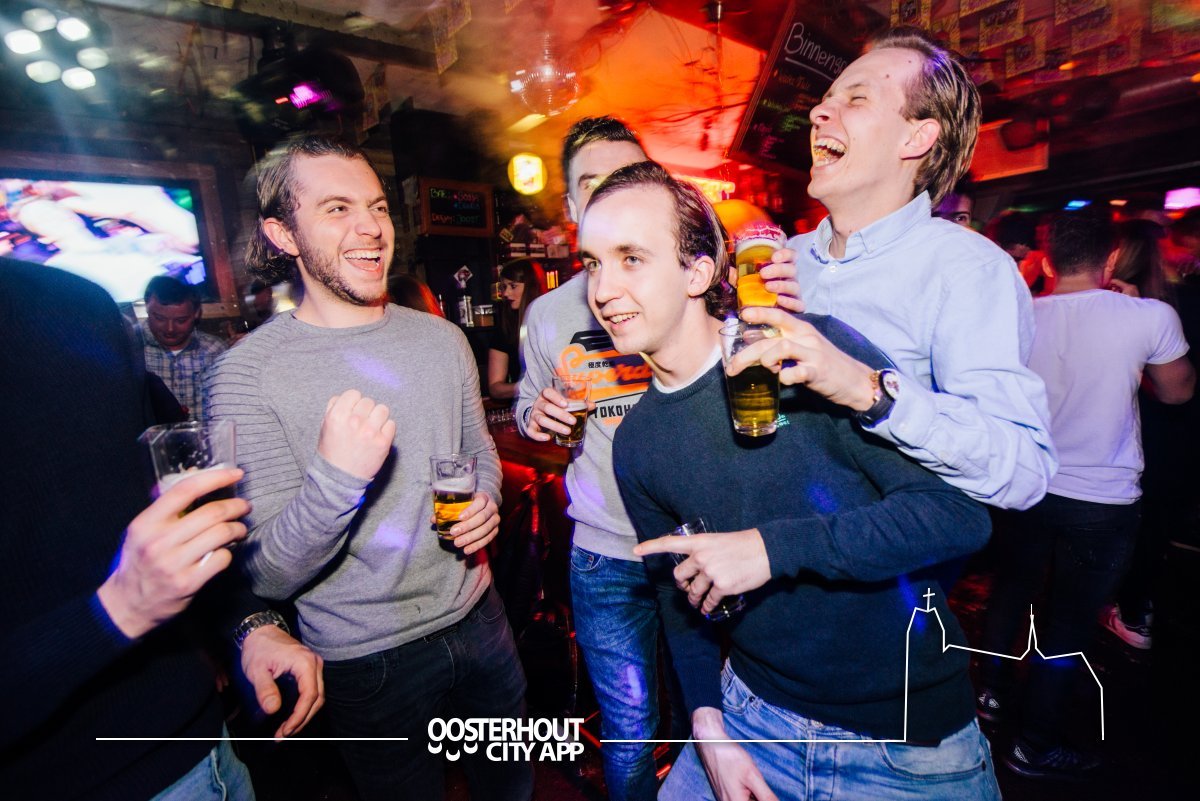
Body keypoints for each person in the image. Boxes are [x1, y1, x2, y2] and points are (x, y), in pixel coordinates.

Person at [584, 161, 999, 801]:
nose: (603, 289)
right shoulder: (636, 441)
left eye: (630, 258)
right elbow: (677, 594)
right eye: (592, 264)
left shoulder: (811, 351)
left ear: (698, 273)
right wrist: (706, 725)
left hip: (902, 744)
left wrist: (770, 550)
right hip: (750, 713)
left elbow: (958, 517)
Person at [207, 135, 530, 801]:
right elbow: (265, 574)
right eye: (336, 209)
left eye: (377, 207)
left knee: (513, 788)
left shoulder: (442, 339)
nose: (371, 227)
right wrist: (337, 480)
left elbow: (480, 455)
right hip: (365, 658)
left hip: (480, 616)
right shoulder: (245, 374)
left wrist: (487, 501)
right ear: (283, 234)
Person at [516, 116, 804, 801]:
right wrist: (540, 417)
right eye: (594, 183)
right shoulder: (550, 314)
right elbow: (530, 408)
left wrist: (798, 298)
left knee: (706, 706)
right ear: (571, 203)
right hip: (606, 550)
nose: (612, 193)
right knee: (629, 728)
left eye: (628, 176)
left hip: (704, 542)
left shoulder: (694, 290)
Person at [0, 257, 323, 801]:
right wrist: (114, 613)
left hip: (202, 747)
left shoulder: (74, 304)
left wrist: (248, 625)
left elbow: (155, 508)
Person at [746, 26, 1055, 511]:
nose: (817, 113)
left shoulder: (967, 269)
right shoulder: (788, 258)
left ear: (916, 137)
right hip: (775, 536)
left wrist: (869, 389)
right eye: (826, 100)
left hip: (884, 551)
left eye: (857, 98)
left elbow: (1023, 473)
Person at [976, 209, 1194, 781]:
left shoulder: (1016, 315)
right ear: (1111, 258)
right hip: (1103, 499)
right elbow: (1178, 392)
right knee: (1068, 623)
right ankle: (1034, 745)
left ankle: (990, 697)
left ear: (1047, 261)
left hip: (1025, 485)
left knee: (1010, 591)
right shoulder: (1149, 316)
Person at [137, 275, 227, 421]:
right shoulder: (131, 347)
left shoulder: (215, 349)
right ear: (147, 307)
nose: (170, 329)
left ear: (196, 313)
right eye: (160, 318)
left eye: (181, 320)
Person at [488, 259, 544, 400]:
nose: (506, 293)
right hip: (525, 406)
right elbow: (495, 387)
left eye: (513, 286)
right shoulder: (506, 328)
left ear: (531, 286)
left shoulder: (552, 321)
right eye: (504, 287)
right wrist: (527, 387)